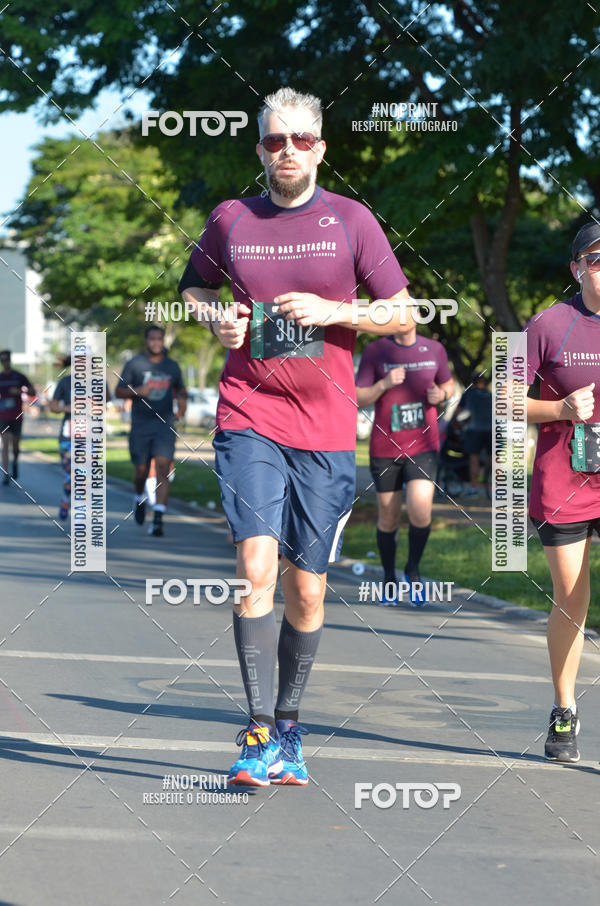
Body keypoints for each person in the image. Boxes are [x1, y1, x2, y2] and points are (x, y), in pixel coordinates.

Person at [178, 86, 415, 787]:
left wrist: (333, 309)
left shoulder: (351, 221)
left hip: (327, 429)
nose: (287, 151)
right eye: (275, 141)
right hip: (250, 415)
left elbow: (401, 314)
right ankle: (254, 733)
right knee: (256, 570)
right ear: (259, 149)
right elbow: (194, 290)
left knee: (307, 592)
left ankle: (288, 728)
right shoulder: (231, 219)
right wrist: (214, 319)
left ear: (321, 147)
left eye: (300, 140)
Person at [525, 221, 600, 763]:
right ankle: (564, 707)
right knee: (572, 597)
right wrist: (561, 409)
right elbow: (503, 401)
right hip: (566, 479)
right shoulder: (547, 324)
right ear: (576, 267)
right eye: (596, 258)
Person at [356, 328, 453, 606]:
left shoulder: (434, 349)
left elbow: (448, 385)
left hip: (423, 447)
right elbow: (359, 397)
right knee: (388, 517)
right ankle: (388, 577)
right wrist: (384, 384)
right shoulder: (377, 351)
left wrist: (441, 394)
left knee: (420, 511)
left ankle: (413, 569)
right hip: (385, 449)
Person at [116, 326, 187, 537]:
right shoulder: (135, 364)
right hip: (141, 424)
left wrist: (182, 407)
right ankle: (139, 498)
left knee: (163, 468)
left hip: (164, 424)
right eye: (152, 339)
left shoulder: (172, 366)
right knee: (141, 471)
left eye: (159, 339)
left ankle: (158, 517)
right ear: (146, 340)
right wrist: (137, 391)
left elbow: (182, 391)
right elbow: (118, 391)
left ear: (163, 340)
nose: (156, 342)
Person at [0, 349, 36, 485]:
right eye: (2, 360)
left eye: (7, 360)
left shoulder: (19, 376)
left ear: (10, 360)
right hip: (2, 416)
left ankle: (15, 462)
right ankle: (6, 473)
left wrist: (21, 390)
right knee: (5, 444)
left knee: (15, 445)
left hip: (17, 416)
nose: (5, 363)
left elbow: (33, 392)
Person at [452, 373, 492, 496]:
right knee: (494, 460)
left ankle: (474, 488)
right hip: (492, 430)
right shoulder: (490, 395)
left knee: (474, 459)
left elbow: (457, 413)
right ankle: (495, 488)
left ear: (472, 383)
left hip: (475, 430)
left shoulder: (468, 394)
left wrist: (456, 424)